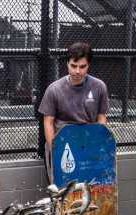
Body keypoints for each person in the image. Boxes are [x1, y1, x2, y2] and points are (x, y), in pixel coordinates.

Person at [38, 42, 109, 183]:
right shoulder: (54, 89)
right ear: (67, 64)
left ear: (88, 65)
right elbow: (48, 122)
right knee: (61, 191)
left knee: (89, 188)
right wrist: (55, 150)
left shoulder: (99, 87)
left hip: (88, 144)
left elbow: (102, 117)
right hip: (62, 145)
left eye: (82, 67)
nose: (77, 71)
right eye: (73, 66)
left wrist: (97, 143)